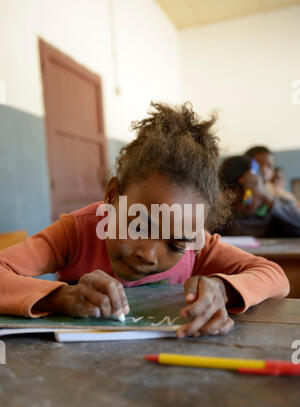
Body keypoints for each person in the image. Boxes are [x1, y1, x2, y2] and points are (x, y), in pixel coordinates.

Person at [0, 103, 289, 338]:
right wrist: (60, 297)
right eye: (140, 225)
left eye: (175, 246)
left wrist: (221, 289)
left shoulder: (196, 244)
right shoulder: (78, 231)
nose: (149, 255)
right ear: (113, 197)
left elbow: (275, 276)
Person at [218, 155, 300, 237]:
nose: (244, 202)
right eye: (233, 198)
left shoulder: (282, 207)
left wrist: (268, 199)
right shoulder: (225, 216)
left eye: (248, 193)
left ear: (262, 185)